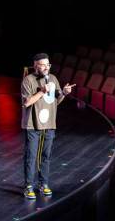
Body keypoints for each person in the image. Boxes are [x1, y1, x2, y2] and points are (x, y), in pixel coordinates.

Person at [21, 53, 75, 199]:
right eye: (43, 64)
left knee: (46, 156)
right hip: (33, 125)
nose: (46, 67)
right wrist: (42, 91)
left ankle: (43, 183)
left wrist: (64, 92)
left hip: (49, 124)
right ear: (35, 65)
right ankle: (28, 186)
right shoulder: (28, 80)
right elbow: (26, 102)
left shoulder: (53, 79)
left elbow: (55, 101)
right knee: (31, 156)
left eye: (48, 64)